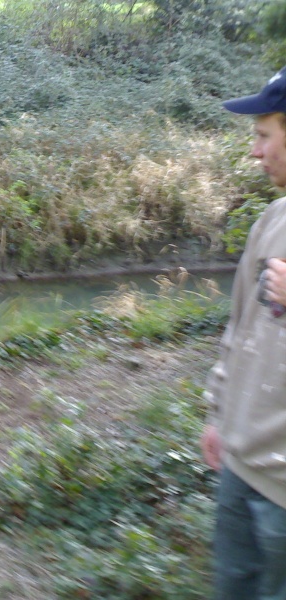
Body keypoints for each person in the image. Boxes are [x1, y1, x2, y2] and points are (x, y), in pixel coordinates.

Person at [201, 66, 286, 598]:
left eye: (263, 135)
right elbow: (240, 327)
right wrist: (217, 411)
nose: (254, 152)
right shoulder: (272, 221)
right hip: (240, 466)